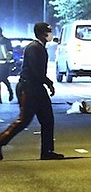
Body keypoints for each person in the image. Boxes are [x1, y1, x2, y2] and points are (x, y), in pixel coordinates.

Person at [0, 22, 64, 161]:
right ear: (42, 33)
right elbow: (36, 72)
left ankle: (47, 151)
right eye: (48, 32)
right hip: (29, 88)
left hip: (36, 87)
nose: (50, 34)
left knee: (47, 120)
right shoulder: (35, 48)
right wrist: (49, 82)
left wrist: (47, 83)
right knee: (23, 120)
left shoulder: (39, 47)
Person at [0, 27, 14, 103]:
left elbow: (10, 52)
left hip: (4, 64)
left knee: (4, 78)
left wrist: (9, 62)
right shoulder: (6, 41)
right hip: (3, 63)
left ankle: (10, 91)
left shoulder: (6, 41)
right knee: (3, 79)